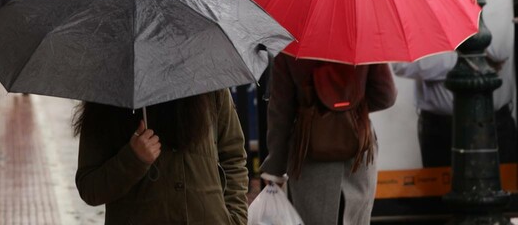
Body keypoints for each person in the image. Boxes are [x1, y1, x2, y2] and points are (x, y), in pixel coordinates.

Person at [393, 0, 517, 167]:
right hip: (439, 130)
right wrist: (474, 54)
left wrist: (440, 46)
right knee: (437, 206)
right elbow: (404, 62)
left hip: (495, 125)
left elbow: (500, 52)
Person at [73, 89, 249, 225]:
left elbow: (233, 156)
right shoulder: (107, 95)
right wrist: (132, 159)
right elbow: (90, 187)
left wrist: (235, 217)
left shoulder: (208, 82)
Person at [260, 56, 397, 224]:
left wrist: (275, 168)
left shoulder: (292, 48)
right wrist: (350, 112)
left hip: (309, 155)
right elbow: (386, 95)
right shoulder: (364, 43)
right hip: (358, 154)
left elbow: (281, 114)